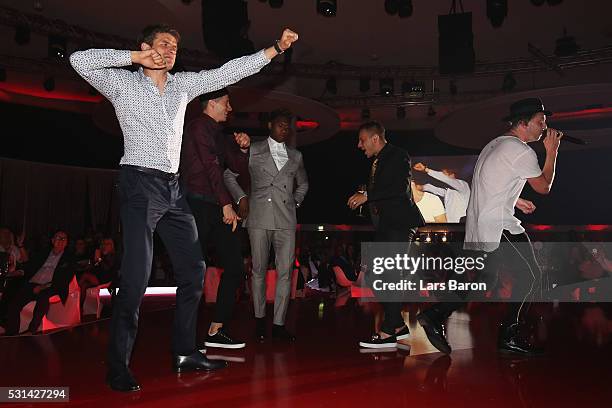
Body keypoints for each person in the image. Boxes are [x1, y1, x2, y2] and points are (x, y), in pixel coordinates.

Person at [70, 23, 299, 392]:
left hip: (173, 189)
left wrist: (274, 48)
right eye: (163, 44)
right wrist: (133, 58)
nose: (170, 50)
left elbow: (229, 72)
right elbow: (80, 61)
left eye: (175, 46)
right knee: (136, 278)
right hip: (139, 184)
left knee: (194, 271)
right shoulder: (122, 84)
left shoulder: (182, 86)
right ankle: (118, 366)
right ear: (145, 47)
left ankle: (184, 351)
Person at [416, 98, 563, 356]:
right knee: (530, 277)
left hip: (480, 223)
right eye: (540, 122)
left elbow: (489, 182)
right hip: (498, 225)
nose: (544, 128)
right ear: (523, 123)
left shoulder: (495, 144)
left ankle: (435, 314)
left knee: (484, 279)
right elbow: (544, 187)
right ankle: (509, 336)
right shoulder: (522, 151)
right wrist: (552, 151)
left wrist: (515, 199)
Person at [224, 109, 308, 342]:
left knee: (285, 272)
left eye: (288, 125)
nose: (285, 128)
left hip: (286, 219)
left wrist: (296, 201)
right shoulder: (253, 149)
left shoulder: (296, 156)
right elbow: (229, 176)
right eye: (281, 124)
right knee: (259, 270)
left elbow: (303, 184)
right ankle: (260, 320)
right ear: (270, 124)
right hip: (259, 216)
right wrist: (241, 198)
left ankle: (279, 324)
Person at [181, 88, 250, 349]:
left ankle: (216, 329)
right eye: (226, 103)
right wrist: (226, 204)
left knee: (234, 267)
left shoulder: (219, 135)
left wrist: (243, 149)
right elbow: (211, 167)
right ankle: (187, 337)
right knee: (193, 272)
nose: (229, 108)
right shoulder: (198, 127)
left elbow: (236, 171)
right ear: (212, 103)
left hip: (217, 206)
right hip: (197, 204)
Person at [347, 121, 424, 348]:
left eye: (362, 140)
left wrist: (368, 195)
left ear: (375, 139)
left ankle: (390, 330)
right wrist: (366, 194)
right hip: (388, 225)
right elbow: (385, 190)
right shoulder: (379, 161)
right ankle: (397, 326)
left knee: (388, 275)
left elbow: (398, 188)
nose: (359, 145)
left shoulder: (397, 155)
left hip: (400, 224)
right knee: (379, 276)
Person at [4, 231, 74, 335]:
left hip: (50, 286)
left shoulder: (69, 258)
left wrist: (42, 287)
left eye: (64, 238)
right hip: (32, 284)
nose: (61, 240)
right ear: (52, 241)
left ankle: (32, 330)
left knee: (43, 298)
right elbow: (29, 265)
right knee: (14, 301)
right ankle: (12, 333)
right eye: (58, 238)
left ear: (67, 242)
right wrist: (20, 271)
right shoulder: (43, 253)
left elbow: (63, 279)